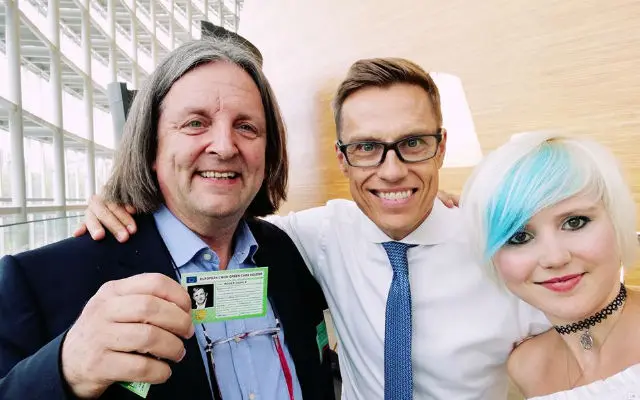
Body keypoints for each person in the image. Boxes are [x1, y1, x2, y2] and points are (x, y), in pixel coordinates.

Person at [75, 57, 549, 399]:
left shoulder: (501, 250)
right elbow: (209, 282)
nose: (391, 171)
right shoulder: (315, 238)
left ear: (440, 147)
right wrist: (128, 201)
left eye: (413, 144)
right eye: (367, 148)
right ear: (342, 158)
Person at [0, 38, 335, 400]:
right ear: (151, 147)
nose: (225, 147)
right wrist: (66, 369)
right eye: (195, 123)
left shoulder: (286, 253)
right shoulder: (40, 282)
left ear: (268, 153)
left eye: (247, 127)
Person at [461, 131, 640, 399]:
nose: (554, 258)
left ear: (616, 220)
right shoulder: (526, 365)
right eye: (519, 237)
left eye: (575, 222)